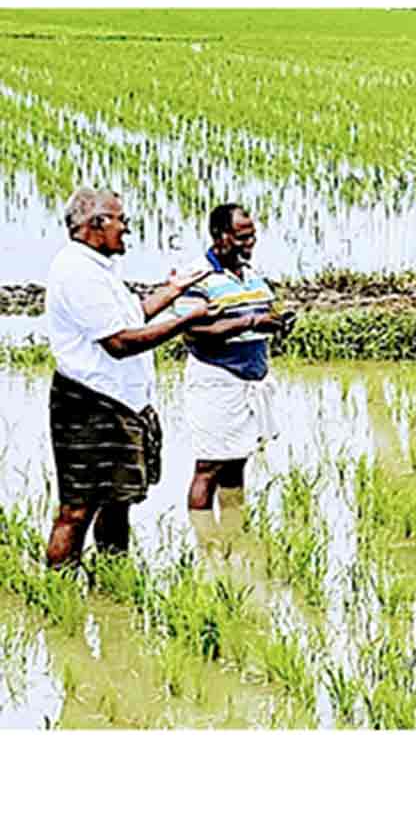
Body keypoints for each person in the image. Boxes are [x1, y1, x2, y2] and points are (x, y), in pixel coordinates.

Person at [43, 188, 213, 568]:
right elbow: (118, 342)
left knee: (118, 502)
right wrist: (186, 321)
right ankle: (58, 589)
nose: (127, 228)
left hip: (120, 403)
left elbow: (130, 316)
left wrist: (174, 290)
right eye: (121, 220)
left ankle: (114, 580)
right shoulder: (76, 272)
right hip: (91, 405)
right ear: (97, 223)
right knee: (77, 509)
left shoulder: (97, 268)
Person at [176, 204, 295, 556]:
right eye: (242, 236)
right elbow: (193, 330)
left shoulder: (250, 273)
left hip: (250, 380)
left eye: (252, 236)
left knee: (237, 460)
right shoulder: (197, 276)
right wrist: (250, 323)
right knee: (209, 465)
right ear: (220, 235)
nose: (249, 242)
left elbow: (260, 313)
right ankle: (206, 545)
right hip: (216, 380)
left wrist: (275, 322)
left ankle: (233, 535)